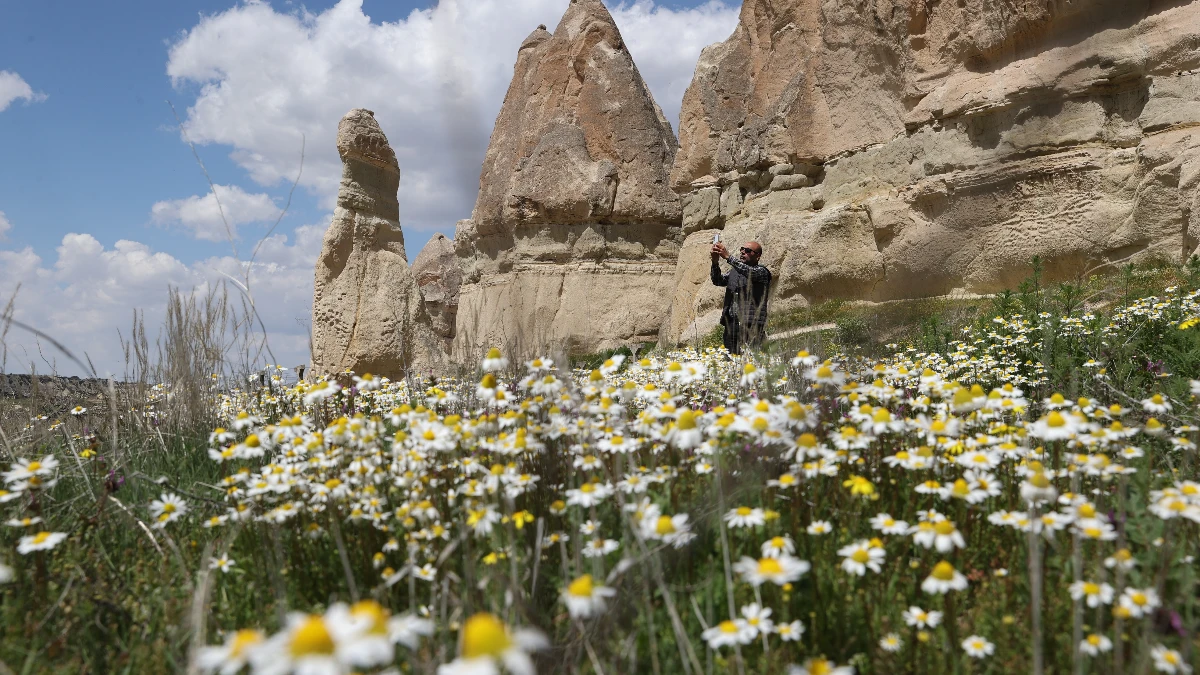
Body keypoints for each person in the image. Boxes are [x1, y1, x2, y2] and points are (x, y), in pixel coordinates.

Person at [710, 239, 772, 355]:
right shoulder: (734, 272)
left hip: (751, 324)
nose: (743, 252)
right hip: (731, 324)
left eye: (747, 250)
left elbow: (749, 272)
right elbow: (717, 280)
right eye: (742, 249)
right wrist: (715, 262)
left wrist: (728, 257)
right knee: (731, 359)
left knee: (752, 358)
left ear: (758, 256)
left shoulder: (762, 272)